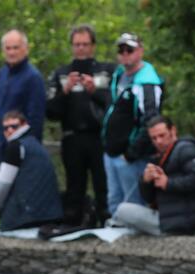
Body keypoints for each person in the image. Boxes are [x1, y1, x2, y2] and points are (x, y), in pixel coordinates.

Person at [46, 24, 114, 226]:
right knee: (74, 187)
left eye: (85, 44)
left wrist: (95, 91)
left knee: (104, 185)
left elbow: (116, 105)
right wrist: (65, 91)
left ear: (93, 46)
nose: (81, 49)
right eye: (77, 44)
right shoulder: (60, 74)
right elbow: (50, 112)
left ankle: (107, 220)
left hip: (99, 137)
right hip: (72, 137)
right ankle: (74, 223)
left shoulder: (107, 71)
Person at [111, 115, 195, 236]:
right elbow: (149, 198)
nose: (158, 141)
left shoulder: (185, 149)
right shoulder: (160, 156)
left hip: (181, 222)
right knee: (126, 224)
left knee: (122, 210)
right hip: (169, 217)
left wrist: (168, 183)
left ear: (173, 130)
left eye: (162, 135)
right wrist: (146, 181)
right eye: (154, 138)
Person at [101, 33, 164, 216]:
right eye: (121, 50)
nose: (125, 54)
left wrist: (131, 153)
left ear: (140, 51)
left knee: (133, 206)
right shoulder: (118, 75)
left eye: (130, 50)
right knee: (114, 202)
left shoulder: (147, 82)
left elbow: (151, 121)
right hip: (111, 152)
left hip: (131, 158)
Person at [0, 109, 62, 231]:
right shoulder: (35, 144)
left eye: (14, 126)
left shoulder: (15, 147)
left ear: (24, 125)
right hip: (51, 213)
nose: (9, 131)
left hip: (28, 214)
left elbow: (2, 185)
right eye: (6, 128)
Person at [0, 30, 45, 158]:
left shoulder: (33, 78)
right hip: (2, 143)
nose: (11, 52)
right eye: (8, 48)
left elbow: (35, 119)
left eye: (16, 48)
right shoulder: (2, 74)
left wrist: (27, 149)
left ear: (25, 49)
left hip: (22, 148)